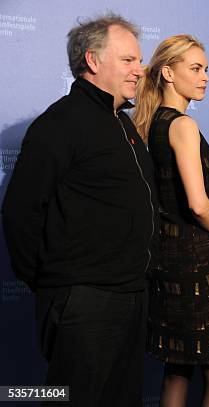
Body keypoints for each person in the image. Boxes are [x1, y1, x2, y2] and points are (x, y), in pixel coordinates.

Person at [2, 13, 156, 406]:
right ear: (92, 60)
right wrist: (57, 284)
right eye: (128, 61)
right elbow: (20, 211)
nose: (139, 71)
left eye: (138, 61)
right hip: (84, 302)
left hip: (130, 298)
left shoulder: (123, 125)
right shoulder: (61, 122)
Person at [133, 35, 209, 407]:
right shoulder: (182, 125)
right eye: (195, 68)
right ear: (168, 72)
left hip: (167, 255)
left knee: (178, 368)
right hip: (194, 258)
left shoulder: (151, 124)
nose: (205, 76)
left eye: (206, 69)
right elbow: (197, 203)